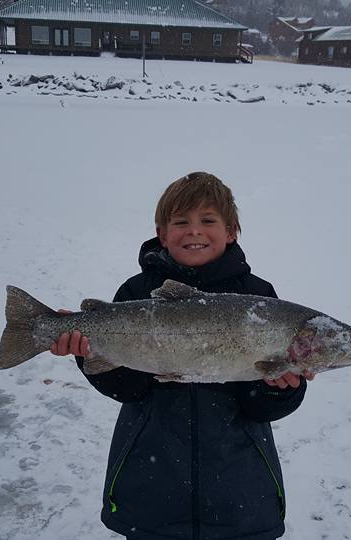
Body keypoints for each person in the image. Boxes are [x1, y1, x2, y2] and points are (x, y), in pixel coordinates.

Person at [51, 172, 313, 539]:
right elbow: (128, 389)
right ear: (162, 233)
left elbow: (259, 407)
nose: (194, 231)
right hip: (151, 486)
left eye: (208, 221)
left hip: (239, 488)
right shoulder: (137, 291)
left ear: (231, 231)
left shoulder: (258, 297)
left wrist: (279, 389)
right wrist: (89, 354)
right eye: (181, 222)